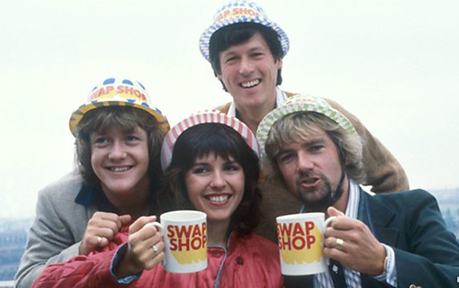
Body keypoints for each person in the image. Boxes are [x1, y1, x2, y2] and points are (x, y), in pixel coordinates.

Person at [198, 0, 409, 241]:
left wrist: (380, 252)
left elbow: (391, 178)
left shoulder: (322, 114)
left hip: (326, 269)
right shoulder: (210, 131)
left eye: (256, 54)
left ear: (278, 60)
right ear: (218, 72)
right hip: (246, 273)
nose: (245, 68)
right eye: (232, 59)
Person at [31, 111, 284, 288]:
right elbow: (44, 282)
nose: (218, 182)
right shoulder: (133, 245)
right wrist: (122, 264)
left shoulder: (272, 257)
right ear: (180, 180)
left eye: (230, 168)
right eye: (202, 170)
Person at [256, 94, 459, 287]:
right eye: (287, 157)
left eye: (315, 148)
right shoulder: (284, 240)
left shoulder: (411, 210)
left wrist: (383, 262)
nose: (303, 165)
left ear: (345, 154)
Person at [15, 78, 169, 288]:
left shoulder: (179, 186)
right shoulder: (58, 201)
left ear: (151, 145)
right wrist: (81, 251)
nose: (116, 154)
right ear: (87, 150)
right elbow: (25, 282)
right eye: (102, 140)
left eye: (131, 138)